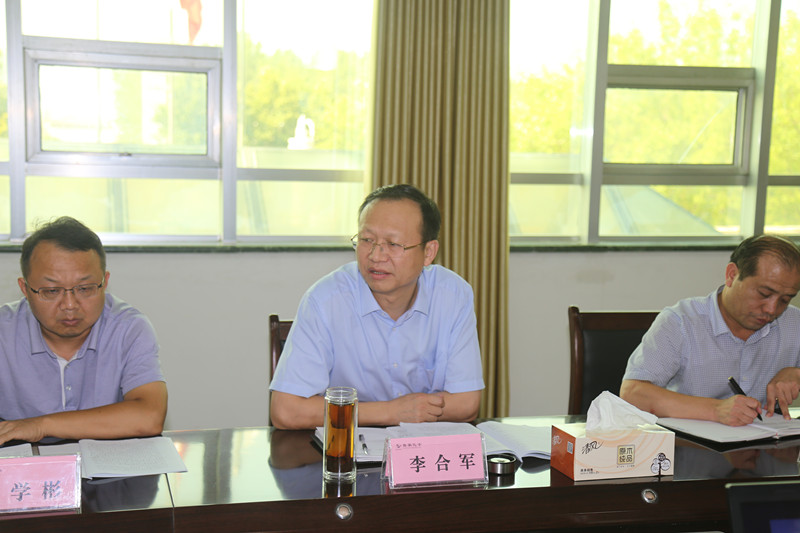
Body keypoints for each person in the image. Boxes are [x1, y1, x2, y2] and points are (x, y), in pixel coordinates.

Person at [269, 184, 484, 430]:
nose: (375, 256)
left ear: (428, 252)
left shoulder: (452, 295)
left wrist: (359, 411)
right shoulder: (326, 300)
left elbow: (466, 403)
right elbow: (286, 411)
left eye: (393, 244)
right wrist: (392, 412)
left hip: (422, 448)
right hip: (348, 448)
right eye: (366, 240)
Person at [0, 216, 167, 445]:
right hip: (25, 465)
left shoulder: (129, 329)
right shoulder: (4, 332)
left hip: (108, 464)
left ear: (104, 283)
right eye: (51, 291)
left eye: (85, 288)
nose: (70, 305)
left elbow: (149, 416)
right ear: (25, 289)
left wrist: (41, 425)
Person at [620, 234, 800, 427]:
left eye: (785, 300)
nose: (772, 309)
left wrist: (797, 374)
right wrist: (715, 410)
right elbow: (632, 393)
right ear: (732, 275)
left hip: (765, 442)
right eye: (764, 294)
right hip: (688, 442)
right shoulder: (681, 322)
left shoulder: (794, 322)